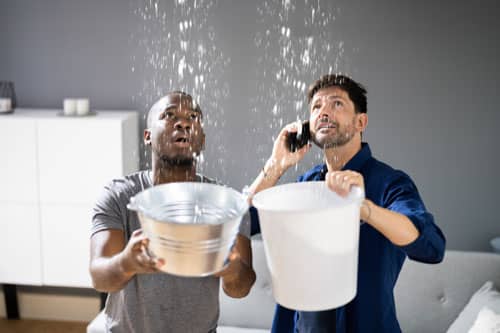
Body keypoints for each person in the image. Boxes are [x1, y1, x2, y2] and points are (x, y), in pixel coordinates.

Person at [247, 74, 446, 333]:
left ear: (360, 122)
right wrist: (276, 165)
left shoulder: (390, 183)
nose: (324, 112)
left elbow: (432, 247)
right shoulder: (305, 185)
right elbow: (244, 223)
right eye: (317, 106)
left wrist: (363, 208)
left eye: (337, 104)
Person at [89, 91, 256, 333]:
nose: (184, 122)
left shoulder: (226, 203)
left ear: (202, 139)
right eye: (169, 115)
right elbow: (99, 277)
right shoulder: (119, 195)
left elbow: (240, 288)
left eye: (193, 117)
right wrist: (127, 262)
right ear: (147, 137)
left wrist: (230, 268)